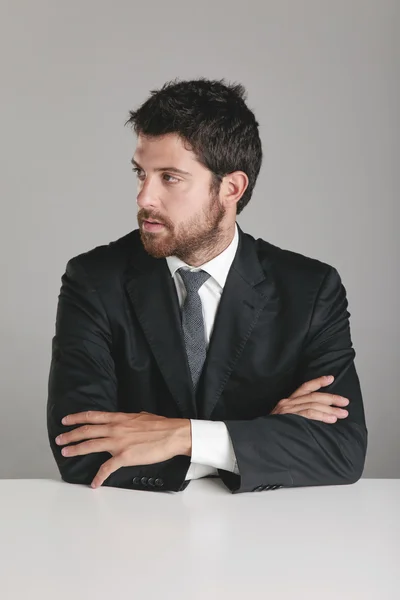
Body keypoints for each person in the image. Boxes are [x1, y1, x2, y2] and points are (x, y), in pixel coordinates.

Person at [47, 78, 367, 494]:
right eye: (141, 173)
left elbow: (342, 450)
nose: (145, 197)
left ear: (231, 188)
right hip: (133, 537)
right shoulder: (93, 280)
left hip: (272, 539)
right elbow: (80, 451)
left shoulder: (310, 289)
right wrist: (259, 436)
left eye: (170, 178)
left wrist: (185, 436)